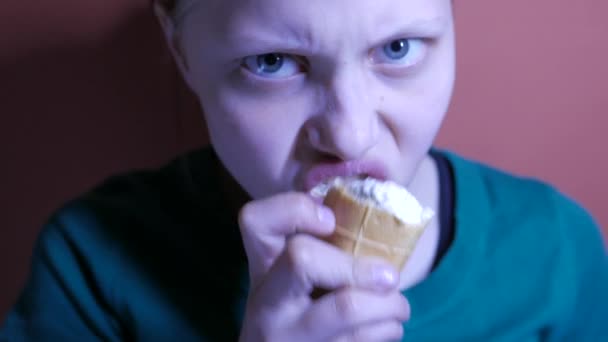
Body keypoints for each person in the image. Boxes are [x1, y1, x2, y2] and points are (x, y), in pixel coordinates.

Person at [2, 0, 607, 340]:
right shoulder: (89, 270)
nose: (349, 134)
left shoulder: (556, 254)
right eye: (272, 62)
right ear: (181, 51)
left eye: (397, 49)